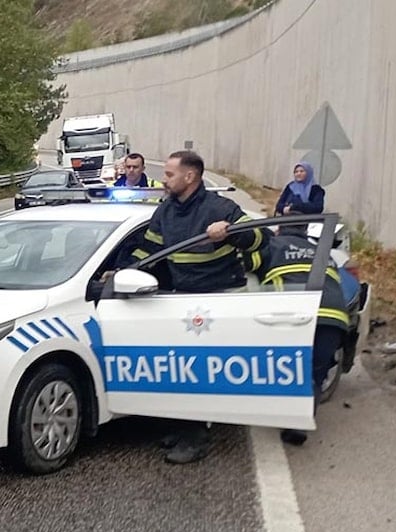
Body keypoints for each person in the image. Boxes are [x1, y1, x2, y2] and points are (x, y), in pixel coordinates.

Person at [126, 150, 264, 464]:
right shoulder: (166, 210)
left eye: (170, 174)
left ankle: (196, 438)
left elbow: (260, 237)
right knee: (180, 369)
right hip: (182, 297)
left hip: (217, 298)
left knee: (195, 371)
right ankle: (182, 426)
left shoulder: (220, 208)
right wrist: (121, 274)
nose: (164, 178)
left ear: (190, 177)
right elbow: (149, 250)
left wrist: (230, 234)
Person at [245, 224, 349, 446]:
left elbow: (246, 264)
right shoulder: (321, 251)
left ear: (279, 230)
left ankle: (288, 416)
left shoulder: (272, 245)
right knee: (316, 372)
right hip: (334, 317)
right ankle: (299, 423)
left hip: (299, 316)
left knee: (289, 368)